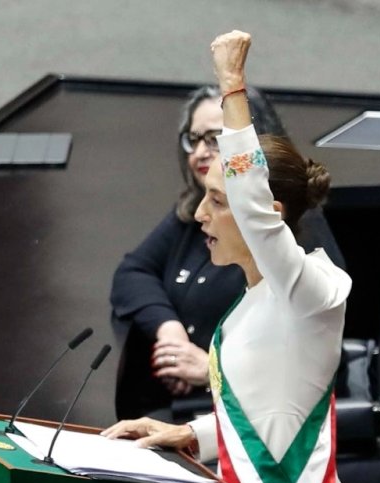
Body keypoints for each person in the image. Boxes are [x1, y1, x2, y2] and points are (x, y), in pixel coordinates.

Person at [103, 31, 358, 483]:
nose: (200, 214)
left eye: (218, 201)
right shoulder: (252, 299)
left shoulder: (313, 291)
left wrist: (232, 86)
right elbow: (259, 418)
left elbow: (252, 202)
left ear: (267, 212)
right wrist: (188, 434)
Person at [111, 85, 345, 424]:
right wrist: (171, 333)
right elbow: (133, 271)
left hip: (252, 432)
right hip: (205, 419)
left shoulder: (296, 250)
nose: (200, 152)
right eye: (194, 139)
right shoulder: (198, 209)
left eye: (216, 138)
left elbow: (293, 374)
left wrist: (208, 369)